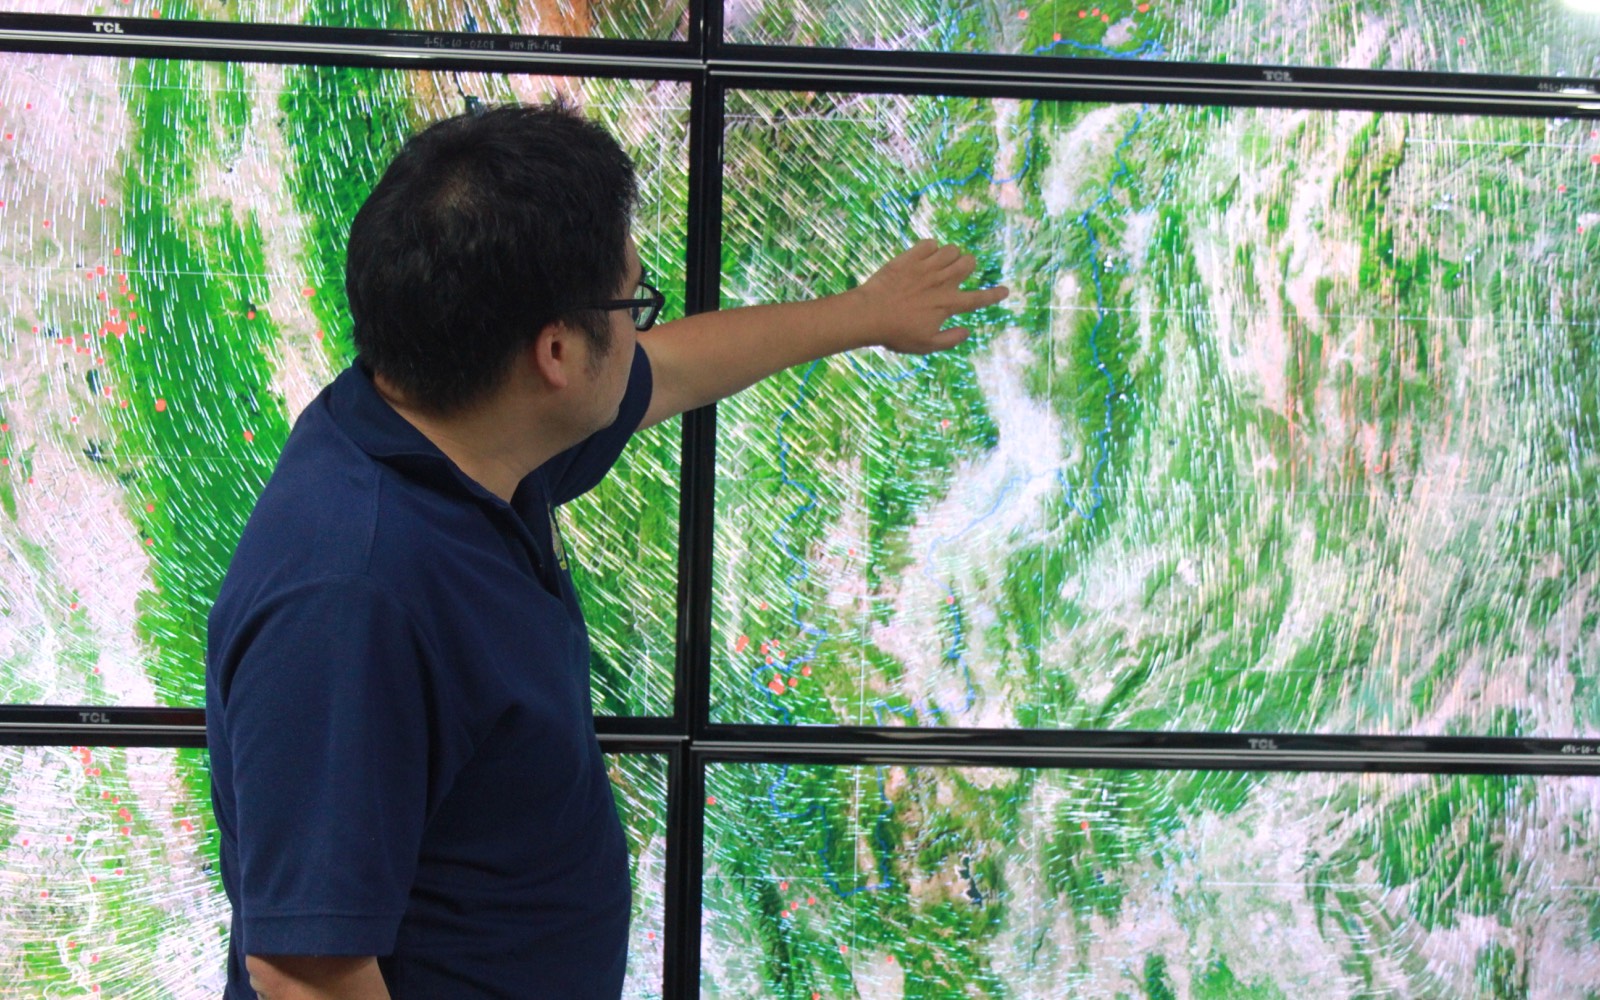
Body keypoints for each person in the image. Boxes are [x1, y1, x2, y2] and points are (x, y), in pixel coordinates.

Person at [205, 101, 1008, 1000]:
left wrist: (864, 314)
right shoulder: (349, 600)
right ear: (553, 352)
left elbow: (670, 370)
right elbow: (307, 971)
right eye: (631, 301)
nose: (639, 326)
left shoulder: (465, 428)